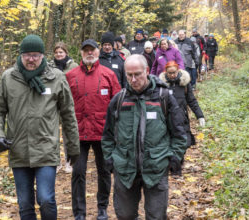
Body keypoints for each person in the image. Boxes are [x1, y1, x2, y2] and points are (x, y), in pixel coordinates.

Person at [0, 34, 80, 220]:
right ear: (21, 55)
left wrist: (73, 147)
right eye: (27, 55)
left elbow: (68, 114)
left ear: (43, 56)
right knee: (25, 203)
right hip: (19, 149)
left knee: (46, 199)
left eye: (36, 55)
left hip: (46, 148)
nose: (31, 59)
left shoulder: (56, 77)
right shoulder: (9, 78)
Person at [102, 54, 189, 220]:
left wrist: (173, 158)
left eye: (137, 74)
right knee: (125, 215)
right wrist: (110, 160)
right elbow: (107, 135)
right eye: (129, 75)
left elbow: (179, 133)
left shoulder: (163, 97)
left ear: (147, 71)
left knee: (156, 216)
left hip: (156, 167)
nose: (133, 79)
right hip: (125, 168)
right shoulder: (119, 100)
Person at [65, 39, 121, 220]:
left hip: (103, 132)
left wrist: (117, 130)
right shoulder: (70, 75)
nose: (89, 53)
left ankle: (102, 208)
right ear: (81, 53)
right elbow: (63, 104)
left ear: (97, 52)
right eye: (86, 50)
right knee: (78, 172)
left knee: (104, 171)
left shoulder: (108, 74)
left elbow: (118, 103)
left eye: (92, 50)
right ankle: (79, 212)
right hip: (78, 132)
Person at [48, 41, 79, 173]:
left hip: (68, 102)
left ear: (66, 53)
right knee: (52, 132)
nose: (58, 54)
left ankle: (69, 161)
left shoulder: (74, 66)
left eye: (61, 52)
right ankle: (55, 161)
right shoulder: (49, 66)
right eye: (56, 52)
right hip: (53, 103)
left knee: (68, 131)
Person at [159, 61, 205, 141]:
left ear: (178, 71)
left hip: (182, 118)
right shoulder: (161, 86)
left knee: (183, 142)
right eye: (170, 73)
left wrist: (200, 116)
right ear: (166, 72)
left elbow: (192, 100)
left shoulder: (184, 84)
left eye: (174, 72)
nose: (172, 75)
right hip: (167, 119)